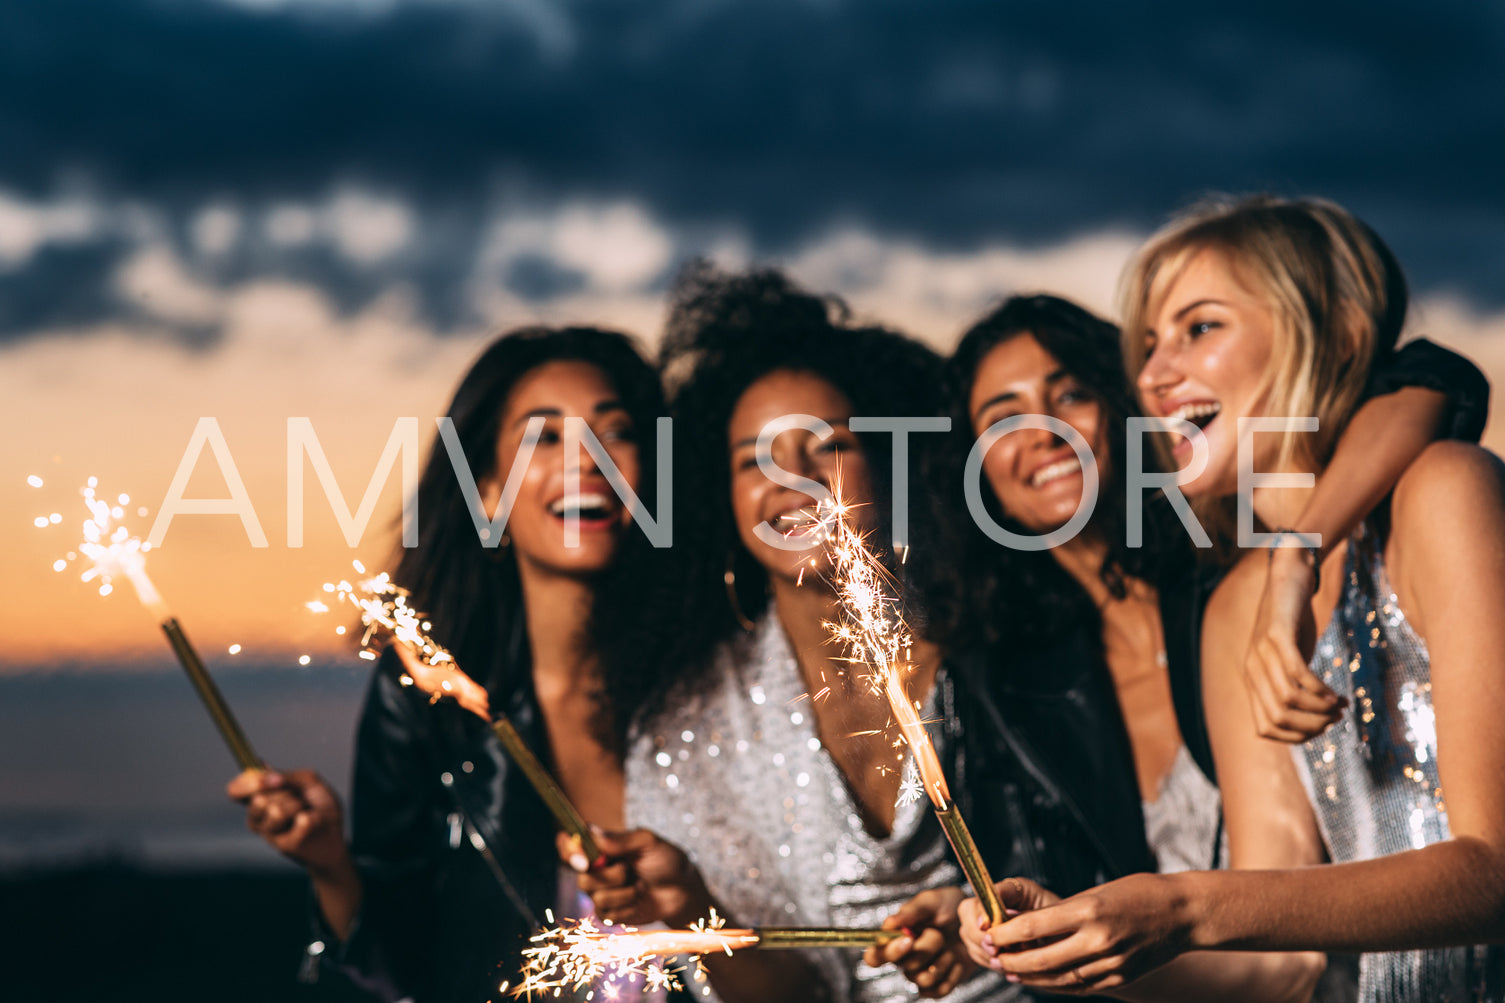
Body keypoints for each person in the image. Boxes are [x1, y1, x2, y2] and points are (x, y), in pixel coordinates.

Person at [961, 196, 1505, 1001]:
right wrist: (1074, 946)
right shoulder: (1231, 612)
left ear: (1333, 331)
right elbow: (1278, 963)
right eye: (1146, 346)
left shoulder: (1443, 490)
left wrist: (1186, 903)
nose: (1151, 374)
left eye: (1199, 327)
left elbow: (1493, 871)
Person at [580, 264, 1091, 1003]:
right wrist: (693, 908)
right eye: (753, 457)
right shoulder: (683, 730)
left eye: (829, 444)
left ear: (887, 465)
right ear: (720, 501)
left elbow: (1100, 885)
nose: (794, 478)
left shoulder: (1005, 651)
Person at [227, 326, 670, 1001]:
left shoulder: (710, 683)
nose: (587, 460)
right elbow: (402, 961)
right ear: (487, 491)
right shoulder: (426, 697)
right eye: (543, 437)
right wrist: (330, 863)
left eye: (616, 432)